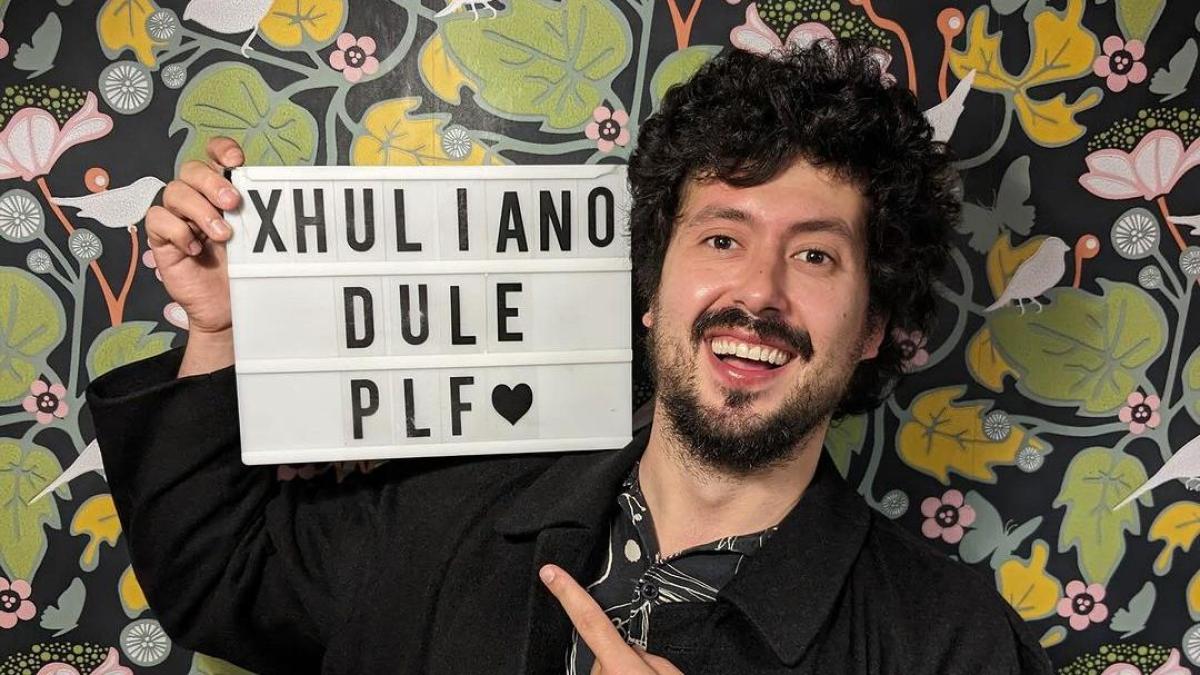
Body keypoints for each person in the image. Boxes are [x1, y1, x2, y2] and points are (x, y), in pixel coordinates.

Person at [88, 41, 1054, 674]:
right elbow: (221, 572)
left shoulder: (949, 640)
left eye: (814, 256)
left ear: (874, 323)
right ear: (652, 287)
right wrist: (220, 332)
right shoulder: (451, 504)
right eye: (722, 238)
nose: (758, 292)